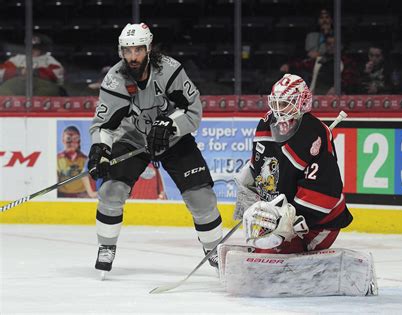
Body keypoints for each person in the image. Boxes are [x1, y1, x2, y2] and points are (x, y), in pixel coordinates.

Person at [87, 23, 223, 274]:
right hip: (133, 139)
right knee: (110, 191)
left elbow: (194, 112)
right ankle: (106, 247)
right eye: (127, 51)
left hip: (174, 140)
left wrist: (170, 124)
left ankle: (214, 251)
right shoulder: (115, 79)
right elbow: (104, 125)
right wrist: (101, 150)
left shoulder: (170, 71)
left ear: (148, 49)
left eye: (137, 50)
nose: (132, 57)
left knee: (200, 197)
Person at [233, 73, 353, 255]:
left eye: (285, 103)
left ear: (302, 102)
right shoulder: (266, 124)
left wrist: (290, 219)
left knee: (271, 254)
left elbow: (325, 189)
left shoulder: (314, 133)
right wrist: (249, 185)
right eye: (277, 102)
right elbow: (259, 165)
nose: (279, 109)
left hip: (319, 223)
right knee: (262, 248)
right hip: (281, 214)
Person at [0, 33, 65, 96]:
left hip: (42, 84)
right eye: (30, 47)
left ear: (43, 49)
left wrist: (34, 72)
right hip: (19, 82)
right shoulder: (18, 58)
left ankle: (34, 105)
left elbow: (57, 76)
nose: (32, 50)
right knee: (4, 89)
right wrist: (19, 71)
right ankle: (15, 105)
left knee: (49, 90)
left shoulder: (49, 60)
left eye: (36, 48)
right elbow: (2, 72)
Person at [57, 126, 89, 198]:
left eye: (75, 138)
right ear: (63, 140)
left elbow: (92, 182)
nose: (72, 142)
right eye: (68, 139)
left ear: (79, 141)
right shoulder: (57, 159)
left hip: (82, 197)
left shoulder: (85, 160)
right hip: (62, 196)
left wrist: (88, 195)